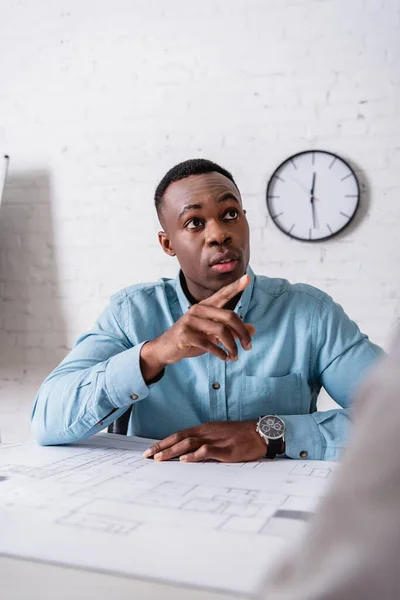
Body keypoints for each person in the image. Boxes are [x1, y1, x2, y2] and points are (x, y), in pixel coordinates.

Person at [31, 159, 382, 462]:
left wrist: (270, 434)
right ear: (167, 243)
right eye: (195, 223)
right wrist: (153, 355)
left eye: (230, 214)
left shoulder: (309, 314)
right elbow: (47, 420)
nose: (219, 234)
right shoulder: (130, 313)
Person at [261, 332, 400, 599]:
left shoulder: (314, 317)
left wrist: (278, 433)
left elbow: (379, 416)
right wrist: (153, 359)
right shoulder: (152, 315)